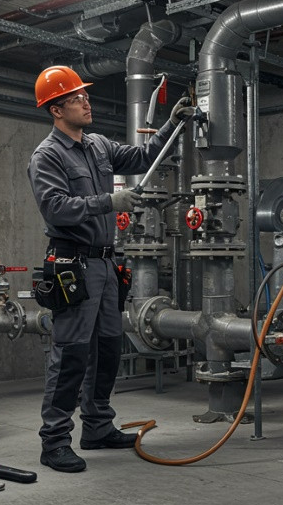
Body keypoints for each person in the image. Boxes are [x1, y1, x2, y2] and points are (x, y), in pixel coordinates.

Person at [27, 65, 193, 473]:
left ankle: (97, 426)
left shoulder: (98, 144)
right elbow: (54, 207)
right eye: (77, 98)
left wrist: (170, 124)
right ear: (56, 110)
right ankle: (54, 441)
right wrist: (108, 203)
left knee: (106, 348)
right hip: (74, 263)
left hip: (104, 262)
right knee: (71, 354)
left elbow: (141, 156)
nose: (86, 101)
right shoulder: (47, 155)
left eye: (85, 95)